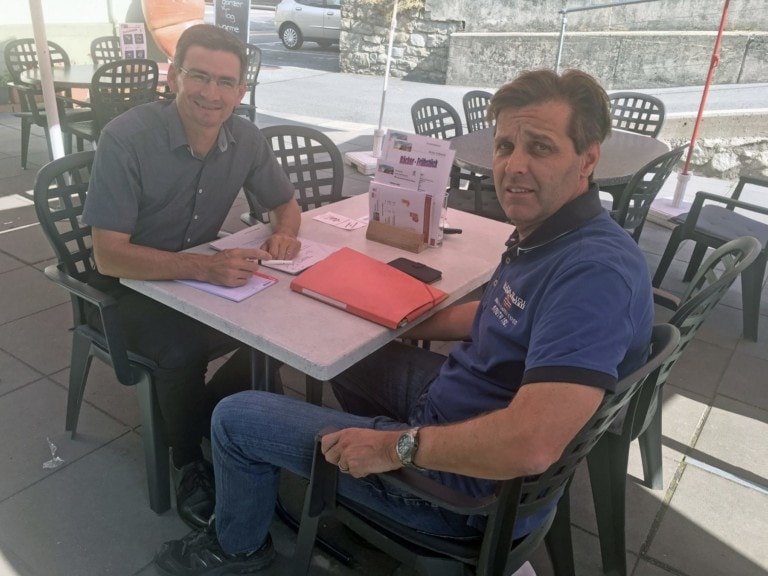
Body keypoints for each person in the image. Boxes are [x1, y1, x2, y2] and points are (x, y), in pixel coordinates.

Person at [154, 68, 654, 575]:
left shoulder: (593, 274)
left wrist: (396, 447)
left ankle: (238, 551)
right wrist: (403, 321)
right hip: (453, 411)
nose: (514, 166)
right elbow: (497, 313)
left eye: (541, 148)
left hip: (463, 497)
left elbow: (533, 441)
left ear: (587, 159)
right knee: (345, 348)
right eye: (505, 146)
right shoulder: (550, 231)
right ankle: (362, 491)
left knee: (234, 419)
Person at [81, 24, 301, 529]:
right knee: (181, 349)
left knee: (277, 329)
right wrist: (205, 267)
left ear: (240, 91)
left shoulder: (245, 137)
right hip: (126, 286)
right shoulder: (127, 138)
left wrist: (285, 233)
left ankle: (210, 418)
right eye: (198, 76)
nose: (211, 93)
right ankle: (187, 459)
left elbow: (285, 203)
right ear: (173, 76)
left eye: (225, 82)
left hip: (196, 278)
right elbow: (109, 257)